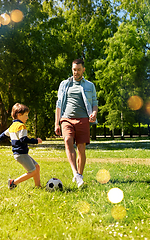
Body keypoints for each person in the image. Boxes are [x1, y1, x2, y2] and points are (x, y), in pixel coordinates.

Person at [54, 58, 98, 188]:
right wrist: (57, 123)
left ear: (83, 69)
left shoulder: (90, 85)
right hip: (66, 118)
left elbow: (95, 102)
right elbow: (58, 105)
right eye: (74, 69)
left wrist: (94, 113)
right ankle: (76, 174)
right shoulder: (64, 84)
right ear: (72, 69)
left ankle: (80, 174)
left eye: (79, 70)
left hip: (83, 119)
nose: (76, 72)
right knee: (67, 140)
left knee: (81, 149)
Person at [0, 103, 42, 189]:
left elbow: (3, 135)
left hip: (20, 154)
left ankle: (38, 186)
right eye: (26, 115)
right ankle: (13, 182)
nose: (27, 117)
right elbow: (23, 139)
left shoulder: (12, 126)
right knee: (32, 171)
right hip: (21, 154)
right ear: (19, 115)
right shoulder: (21, 126)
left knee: (36, 167)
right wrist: (36, 141)